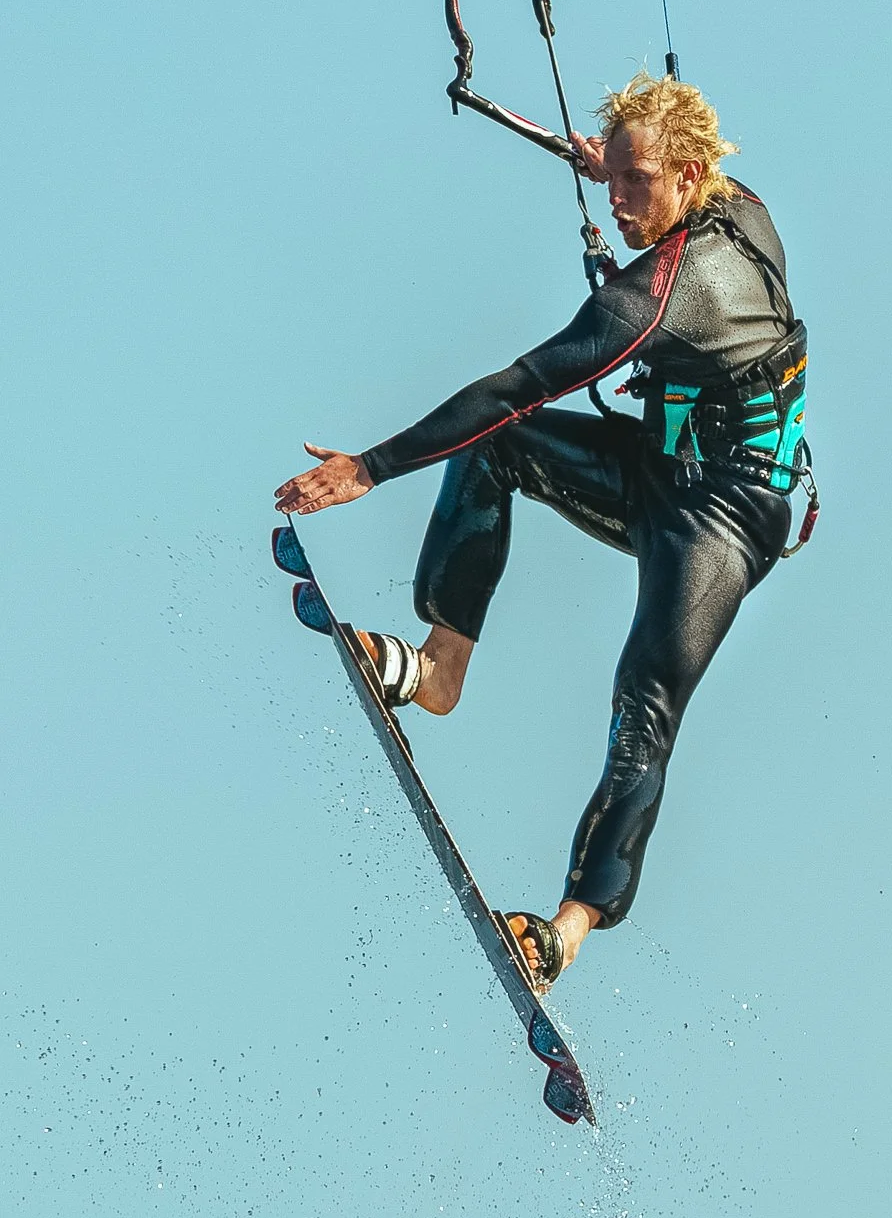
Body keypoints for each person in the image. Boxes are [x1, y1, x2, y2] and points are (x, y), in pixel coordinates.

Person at [275, 71, 809, 991]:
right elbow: (508, 416)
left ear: (689, 176)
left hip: (730, 511)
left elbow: (518, 381)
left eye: (637, 182)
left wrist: (368, 467)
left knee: (644, 700)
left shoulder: (662, 294)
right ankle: (437, 671)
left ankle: (565, 931)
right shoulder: (734, 200)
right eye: (613, 177)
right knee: (500, 448)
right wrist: (614, 157)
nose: (618, 198)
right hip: (657, 471)